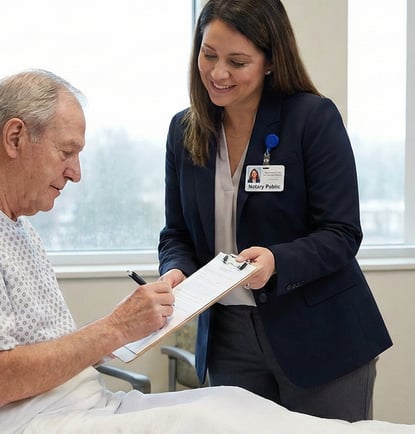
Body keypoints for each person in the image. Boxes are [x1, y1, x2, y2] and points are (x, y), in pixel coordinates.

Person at [0, 69, 415, 434]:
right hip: (21, 420)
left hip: (64, 408)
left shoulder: (6, 223)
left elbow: (341, 231)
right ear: (16, 137)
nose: (76, 171)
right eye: (67, 152)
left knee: (233, 412)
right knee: (232, 417)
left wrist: (121, 330)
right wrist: (116, 329)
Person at [157, 0, 393, 422]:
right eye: (208, 54)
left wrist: (276, 261)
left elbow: (342, 232)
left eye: (238, 61)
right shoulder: (184, 131)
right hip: (228, 340)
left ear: (269, 61)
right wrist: (176, 271)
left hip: (320, 335)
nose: (218, 72)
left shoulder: (311, 119)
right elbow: (176, 233)